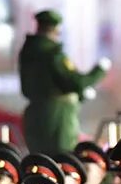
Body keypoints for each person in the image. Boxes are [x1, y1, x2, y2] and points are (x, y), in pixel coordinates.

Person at [18, 10, 110, 155]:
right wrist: (99, 70)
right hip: (57, 119)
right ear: (55, 30)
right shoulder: (52, 53)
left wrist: (80, 95)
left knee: (41, 162)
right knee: (63, 161)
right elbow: (75, 82)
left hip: (34, 117)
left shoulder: (27, 52)